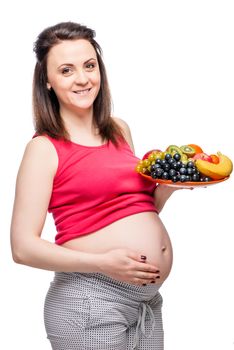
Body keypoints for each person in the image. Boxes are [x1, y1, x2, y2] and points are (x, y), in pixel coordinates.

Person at [10, 22, 178, 350]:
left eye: (89, 66)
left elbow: (132, 210)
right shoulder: (44, 149)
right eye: (67, 70)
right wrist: (102, 262)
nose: (83, 79)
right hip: (90, 301)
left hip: (146, 305)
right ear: (47, 80)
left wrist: (166, 189)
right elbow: (22, 247)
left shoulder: (119, 129)